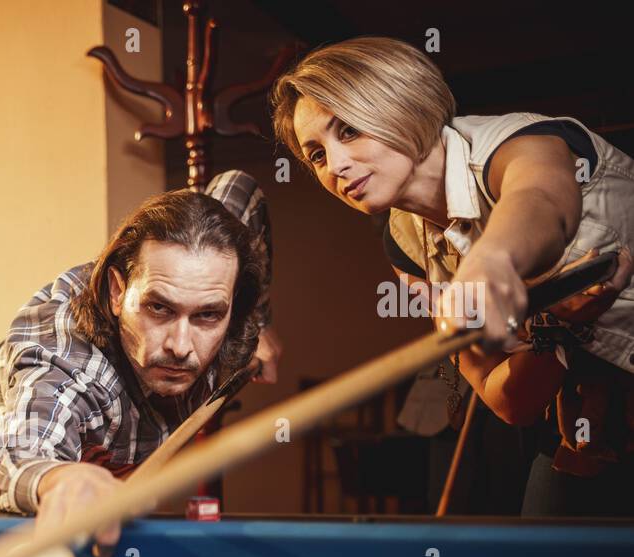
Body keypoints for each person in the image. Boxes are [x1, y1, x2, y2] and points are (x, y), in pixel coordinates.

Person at [270, 36, 634, 516]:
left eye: (351, 130)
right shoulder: (405, 246)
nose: (336, 165)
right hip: (590, 430)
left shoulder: (518, 143)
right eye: (316, 154)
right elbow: (510, 403)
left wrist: (490, 262)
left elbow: (542, 200)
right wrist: (557, 327)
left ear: (404, 105)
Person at [0, 177, 272, 552]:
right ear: (117, 292)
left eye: (208, 315)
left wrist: (256, 320)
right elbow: (19, 458)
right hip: (1, 472)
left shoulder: (222, 268)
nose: (180, 347)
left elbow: (239, 188)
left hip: (118, 448)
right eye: (159, 308)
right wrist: (59, 480)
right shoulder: (73, 365)